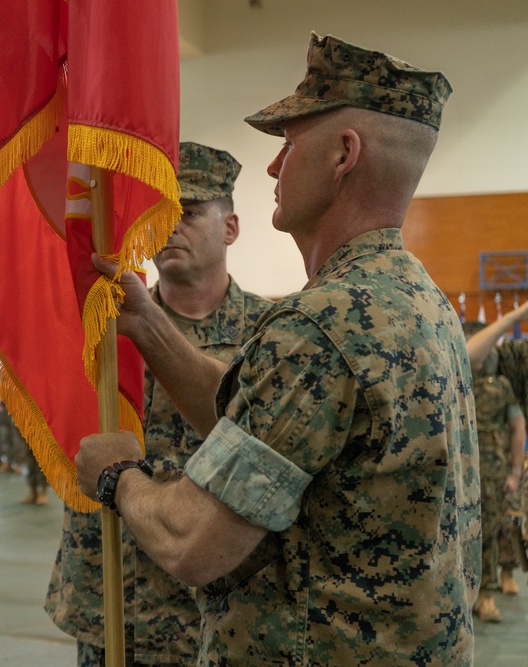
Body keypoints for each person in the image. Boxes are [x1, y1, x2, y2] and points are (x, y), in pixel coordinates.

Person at [74, 33, 479, 664]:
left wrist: (117, 474)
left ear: (343, 154)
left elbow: (193, 544)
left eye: (288, 146)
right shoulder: (416, 299)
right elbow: (268, 428)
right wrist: (151, 325)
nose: (271, 167)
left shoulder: (319, 327)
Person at [46, 142, 272, 664]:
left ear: (230, 228)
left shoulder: (270, 337)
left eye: (190, 213)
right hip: (115, 597)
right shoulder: (99, 328)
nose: (170, 227)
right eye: (161, 213)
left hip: (222, 607)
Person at [462, 321, 526, 621]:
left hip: (491, 472)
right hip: (455, 471)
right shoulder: (453, 380)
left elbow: (517, 428)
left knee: (490, 532)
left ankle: (485, 594)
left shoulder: (501, 386)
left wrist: (515, 472)